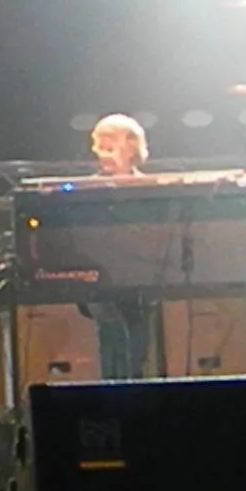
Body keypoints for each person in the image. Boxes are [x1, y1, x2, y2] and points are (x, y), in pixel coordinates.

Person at [84, 113, 159, 380]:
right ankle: (114, 391)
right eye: (99, 147)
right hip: (101, 282)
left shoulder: (149, 189)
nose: (101, 154)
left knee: (137, 347)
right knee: (112, 335)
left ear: (131, 148)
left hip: (140, 282)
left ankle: (131, 390)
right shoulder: (87, 190)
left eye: (109, 147)